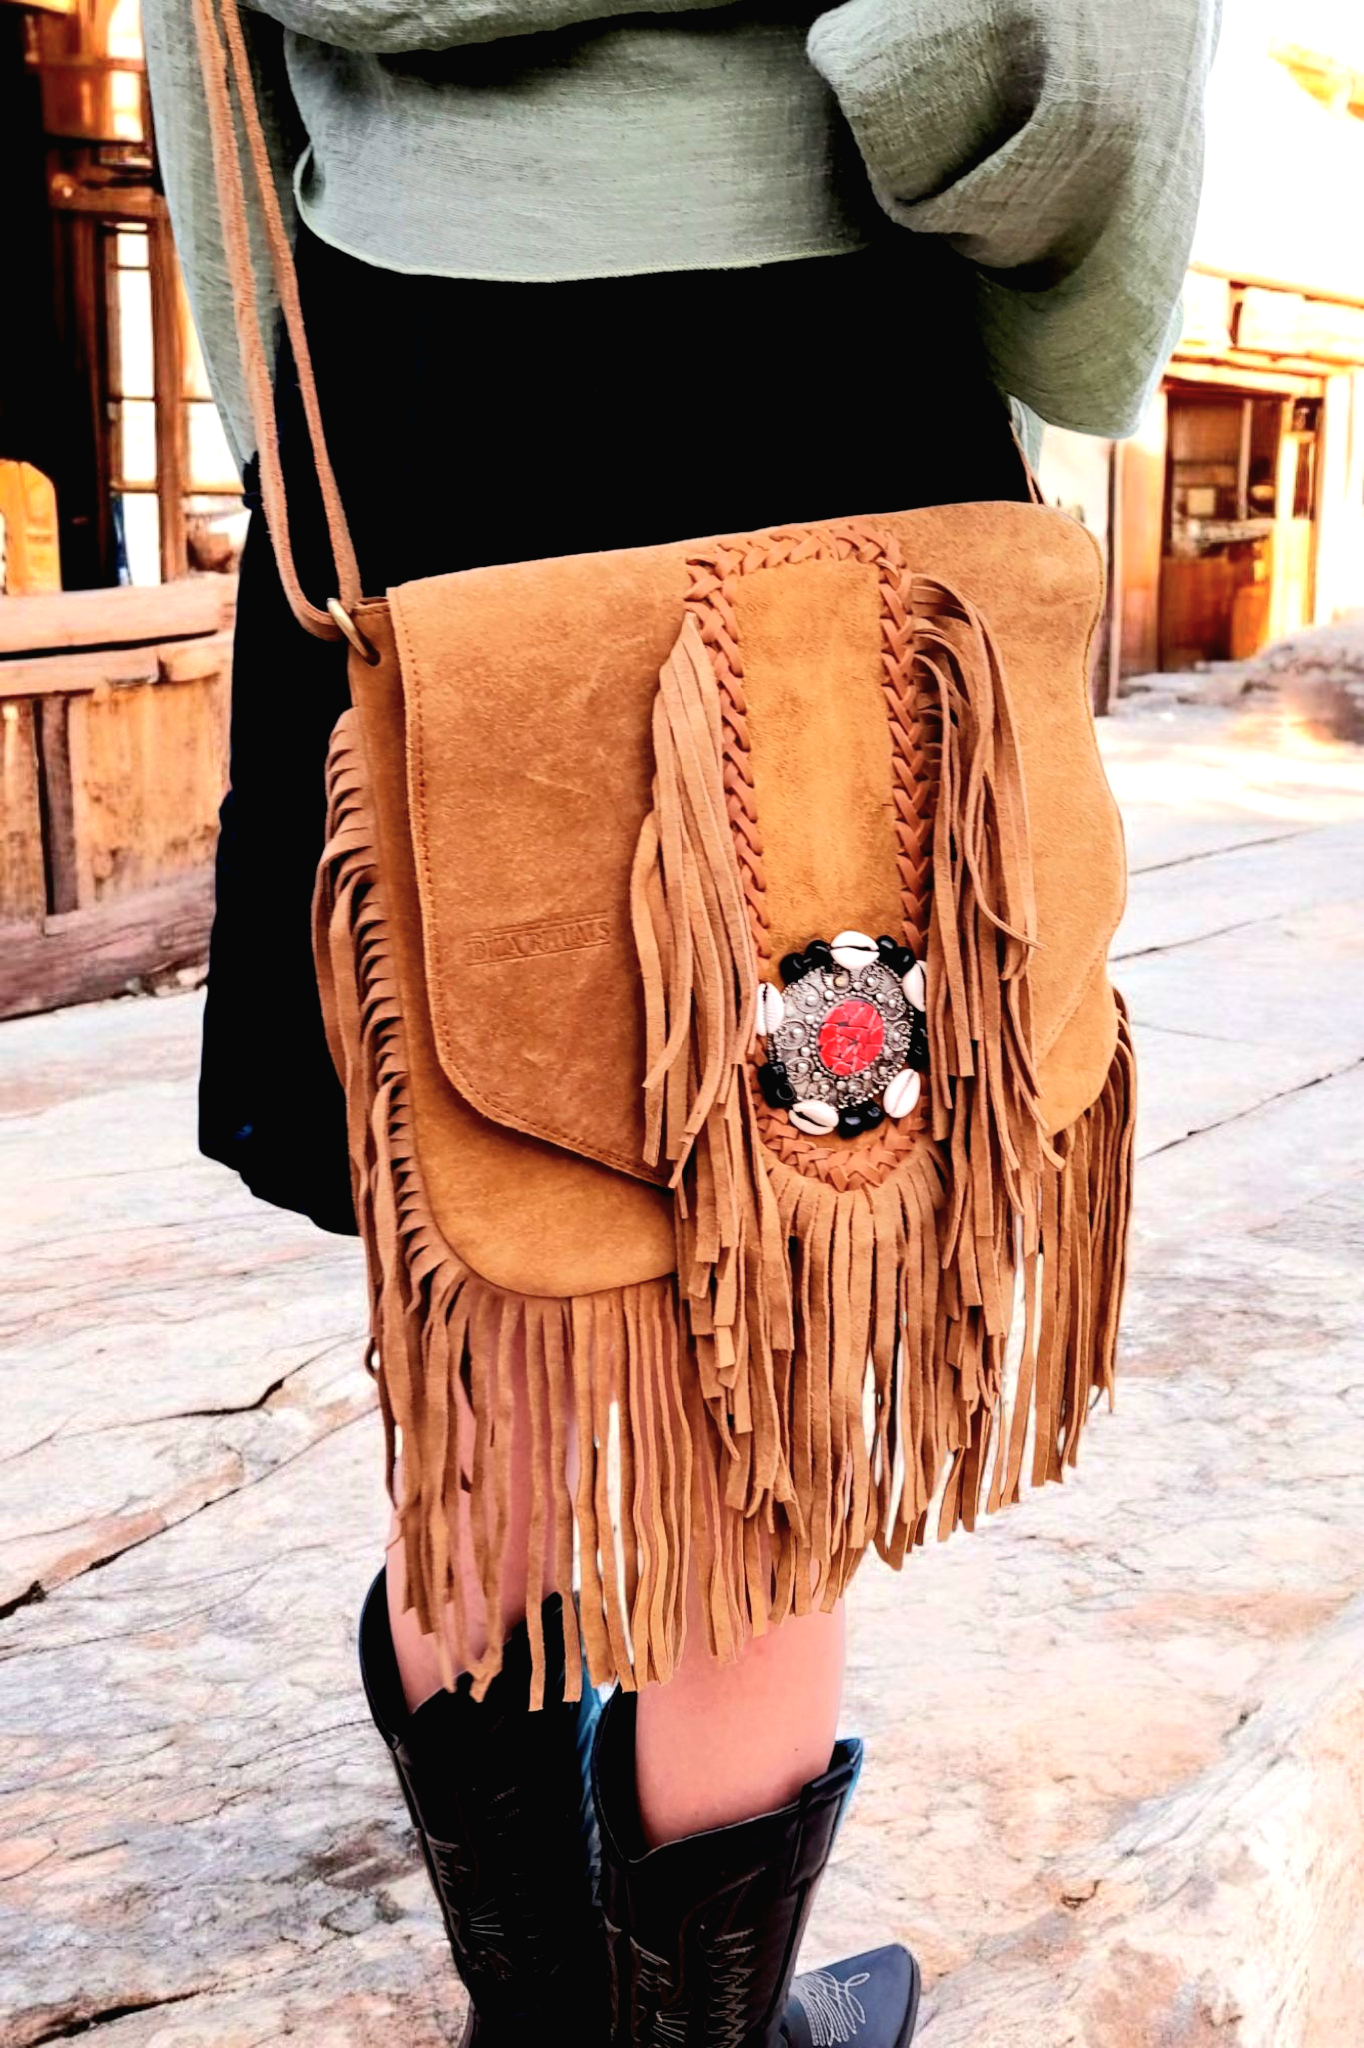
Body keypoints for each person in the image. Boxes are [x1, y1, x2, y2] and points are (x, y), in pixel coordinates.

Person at [142, 1, 1220, 2041]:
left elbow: (201, 83)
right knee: (781, 1304)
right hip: (791, 365)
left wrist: (295, 408)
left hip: (395, 389)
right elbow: (1020, 57)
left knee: (491, 1299)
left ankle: (541, 2017)